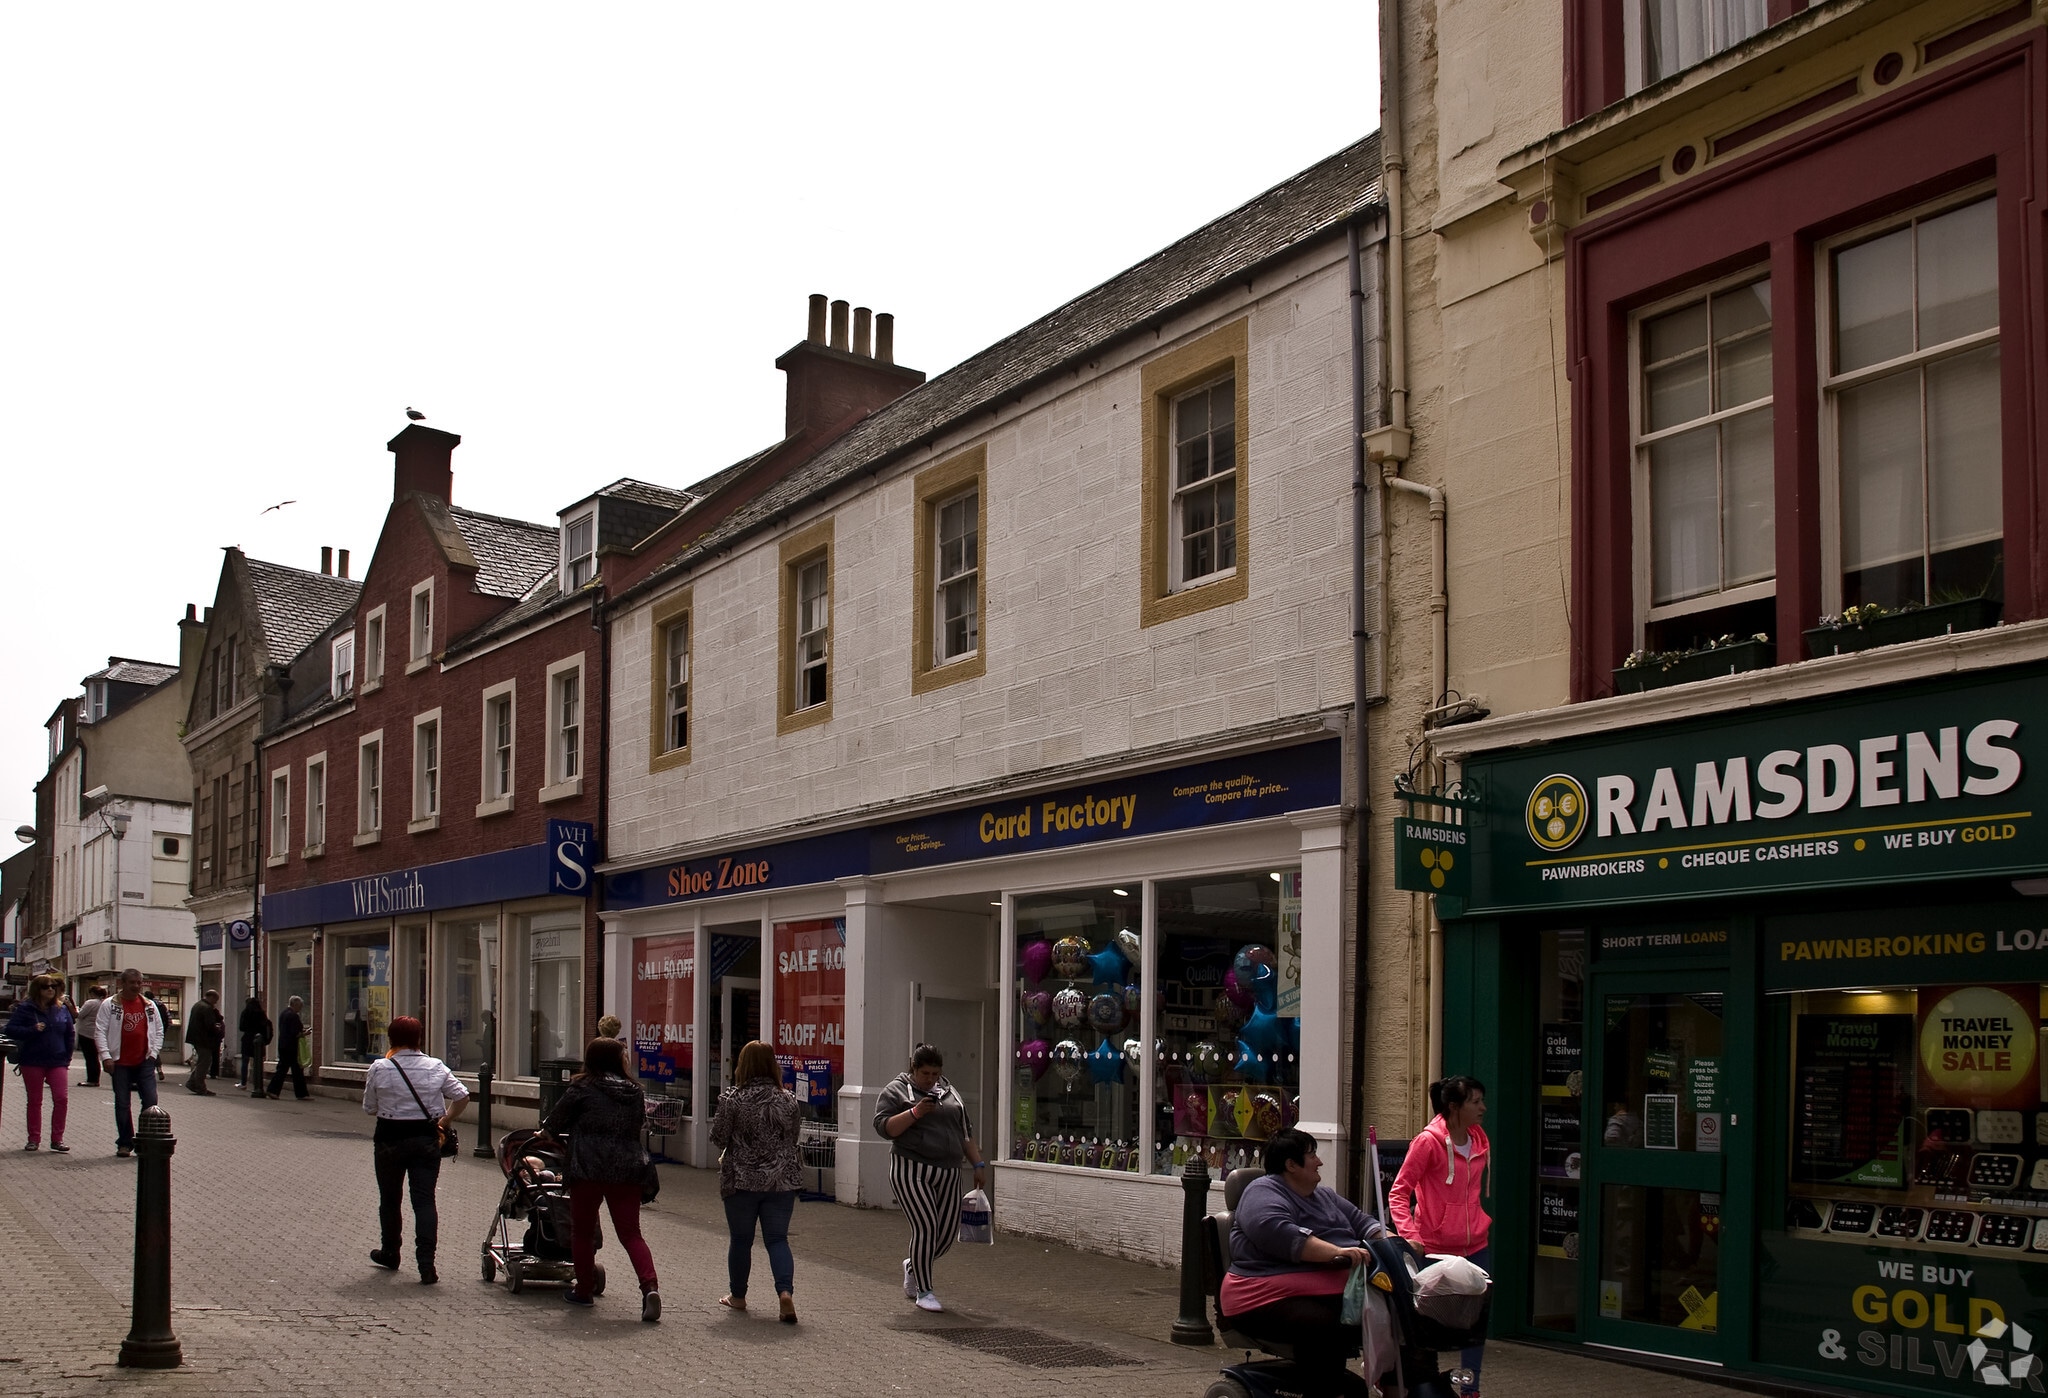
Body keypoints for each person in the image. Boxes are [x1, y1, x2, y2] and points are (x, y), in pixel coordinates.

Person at [1223, 1128, 1385, 1397]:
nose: (1319, 1162)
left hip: (1327, 1289)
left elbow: (1363, 1222)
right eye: (1312, 1155)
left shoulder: (1325, 1196)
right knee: (1328, 1326)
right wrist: (1338, 1251)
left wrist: (1391, 1240)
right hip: (1263, 1297)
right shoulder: (1261, 1193)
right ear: (1291, 1164)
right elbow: (1279, 1232)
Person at [538, 1037, 661, 1321]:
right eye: (624, 1055)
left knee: (581, 1231)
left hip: (588, 1167)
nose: (627, 1059)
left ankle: (583, 1291)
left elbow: (554, 1123)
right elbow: (637, 1125)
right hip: (627, 1168)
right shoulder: (634, 1091)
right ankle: (650, 1287)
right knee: (631, 1233)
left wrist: (544, 1136)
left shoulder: (581, 1087)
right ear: (616, 1060)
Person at [1389, 1076, 1492, 1393]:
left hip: (1476, 1244)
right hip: (1433, 1249)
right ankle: (1422, 1384)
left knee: (1474, 1323)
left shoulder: (1478, 1139)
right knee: (1433, 1324)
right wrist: (1410, 1235)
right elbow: (1398, 1193)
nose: (1482, 1108)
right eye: (1475, 1102)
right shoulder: (1428, 1142)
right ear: (1454, 1106)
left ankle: (1470, 1387)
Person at [873, 1043, 989, 1313]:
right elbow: (884, 1127)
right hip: (911, 1167)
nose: (931, 1079)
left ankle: (913, 1264)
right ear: (913, 1069)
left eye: (935, 1073)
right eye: (925, 1073)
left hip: (948, 1170)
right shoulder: (897, 1090)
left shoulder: (951, 1093)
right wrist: (915, 1112)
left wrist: (978, 1164)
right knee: (925, 1227)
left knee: (946, 1234)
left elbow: (965, 1133)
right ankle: (924, 1291)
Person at [360, 1015, 468, 1285]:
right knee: (424, 1201)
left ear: (391, 1039)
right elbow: (462, 1095)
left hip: (389, 1139)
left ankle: (390, 1252)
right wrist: (445, 1120)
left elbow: (369, 1108)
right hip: (425, 1139)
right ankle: (426, 1264)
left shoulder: (380, 1068)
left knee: (390, 1199)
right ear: (419, 1038)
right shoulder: (435, 1066)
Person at [711, 1039, 802, 1323]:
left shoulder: (732, 1099)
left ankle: (738, 1297)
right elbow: (793, 1137)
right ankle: (785, 1293)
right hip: (781, 1181)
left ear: (742, 1066)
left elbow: (718, 1137)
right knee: (777, 1239)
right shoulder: (788, 1100)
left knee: (741, 1240)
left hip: (741, 1180)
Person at [94, 968, 164, 1158]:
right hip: (120, 1062)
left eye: (139, 982)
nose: (136, 986)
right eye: (132, 982)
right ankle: (125, 1142)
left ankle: (145, 1140)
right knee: (122, 1103)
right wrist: (106, 1056)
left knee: (151, 1101)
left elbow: (158, 1031)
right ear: (122, 984)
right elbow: (100, 1030)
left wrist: (153, 1053)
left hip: (144, 1061)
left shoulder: (149, 1005)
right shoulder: (110, 1005)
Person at [7, 974, 76, 1152]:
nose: (51, 989)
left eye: (53, 986)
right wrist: (32, 1029)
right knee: (35, 1101)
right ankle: (34, 1139)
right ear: (37, 990)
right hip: (32, 1060)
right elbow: (10, 1029)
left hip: (57, 1060)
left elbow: (69, 1034)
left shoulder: (62, 1009)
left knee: (61, 1098)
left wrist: (67, 1057)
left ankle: (57, 1139)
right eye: (46, 987)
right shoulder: (26, 1008)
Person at [267, 996, 310, 1099]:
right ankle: (301, 1094)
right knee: (295, 1070)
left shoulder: (283, 1014)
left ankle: (273, 1090)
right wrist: (305, 1033)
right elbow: (295, 1033)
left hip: (283, 1045)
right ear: (295, 1005)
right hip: (292, 1047)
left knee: (283, 1069)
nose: (300, 1009)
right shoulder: (293, 1016)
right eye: (300, 1006)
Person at [185, 989, 225, 1096]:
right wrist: (216, 1028)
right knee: (205, 1062)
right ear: (211, 997)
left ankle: (192, 1082)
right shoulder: (206, 1008)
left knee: (202, 1061)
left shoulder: (197, 1005)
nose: (215, 1002)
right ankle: (200, 1087)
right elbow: (210, 1025)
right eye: (215, 1000)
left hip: (196, 1038)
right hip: (204, 1039)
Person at [238, 994, 272, 1090]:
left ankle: (243, 1082)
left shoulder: (245, 1013)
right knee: (258, 1062)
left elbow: (241, 1027)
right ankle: (257, 1084)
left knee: (245, 1061)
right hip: (259, 1039)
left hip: (247, 1038)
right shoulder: (261, 1014)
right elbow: (265, 1026)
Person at [76, 984, 107, 1088]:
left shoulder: (90, 1003)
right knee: (94, 1057)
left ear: (92, 993)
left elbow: (80, 1015)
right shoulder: (104, 1003)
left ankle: (92, 1079)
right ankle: (95, 1078)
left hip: (86, 1032)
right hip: (97, 1033)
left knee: (89, 1057)